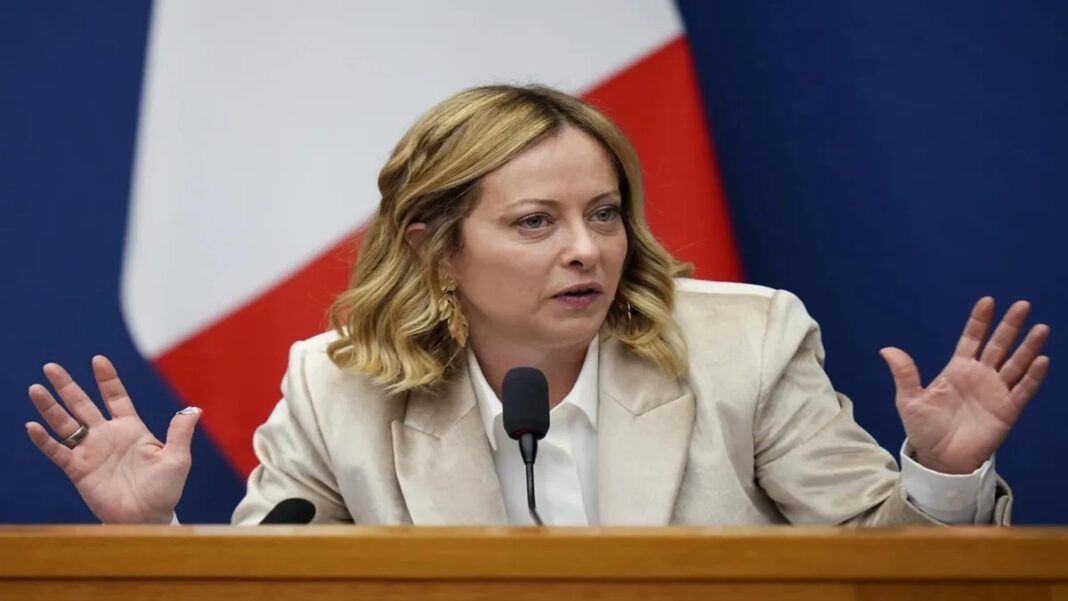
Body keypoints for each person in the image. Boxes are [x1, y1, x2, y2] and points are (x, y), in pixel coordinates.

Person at [25, 85, 1050, 526]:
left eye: (604, 214)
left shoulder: (746, 343)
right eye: (535, 222)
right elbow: (275, 578)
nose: (587, 249)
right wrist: (153, 535)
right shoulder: (336, 387)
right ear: (433, 248)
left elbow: (890, 572)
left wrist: (944, 475)